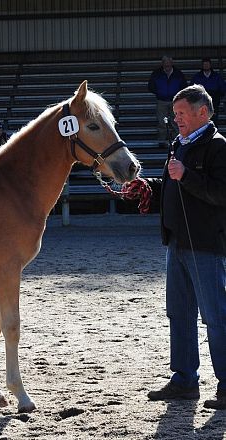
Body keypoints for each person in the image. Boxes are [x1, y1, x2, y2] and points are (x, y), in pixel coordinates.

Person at [127, 84, 226, 409]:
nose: (175, 119)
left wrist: (186, 176)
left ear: (203, 112)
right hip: (177, 244)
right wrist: (149, 189)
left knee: (216, 316)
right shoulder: (179, 145)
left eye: (181, 113)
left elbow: (220, 194)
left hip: (206, 246)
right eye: (175, 113)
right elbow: (174, 187)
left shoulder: (217, 147)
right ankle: (185, 380)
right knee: (179, 314)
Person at [148, 56, 187, 146]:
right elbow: (150, 86)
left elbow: (184, 86)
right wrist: (159, 92)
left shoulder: (178, 74)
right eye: (165, 63)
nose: (167, 65)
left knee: (176, 121)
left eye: (169, 62)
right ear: (163, 63)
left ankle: (177, 141)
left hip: (175, 101)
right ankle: (161, 141)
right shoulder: (156, 73)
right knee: (162, 123)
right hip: (161, 101)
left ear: (172, 63)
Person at [190, 58, 226, 126]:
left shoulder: (217, 77)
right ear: (202, 65)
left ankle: (214, 135)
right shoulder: (197, 77)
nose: (206, 66)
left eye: (207, 64)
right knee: (201, 121)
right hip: (200, 103)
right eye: (204, 64)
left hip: (214, 103)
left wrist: (217, 95)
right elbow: (192, 89)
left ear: (210, 65)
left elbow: (223, 88)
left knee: (214, 121)